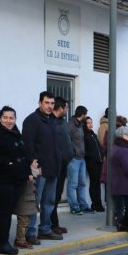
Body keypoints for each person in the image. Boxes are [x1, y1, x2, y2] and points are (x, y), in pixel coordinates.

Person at [0, 106, 34, 255]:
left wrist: (28, 172)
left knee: (8, 211)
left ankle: (4, 242)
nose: (9, 121)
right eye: (5, 118)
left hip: (17, 179)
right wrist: (7, 163)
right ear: (0, 118)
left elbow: (23, 155)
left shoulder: (16, 132)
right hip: (0, 179)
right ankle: (1, 244)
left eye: (11, 118)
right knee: (4, 211)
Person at [22, 91, 63, 241]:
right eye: (47, 103)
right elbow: (28, 145)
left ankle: (45, 229)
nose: (50, 106)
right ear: (40, 103)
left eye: (52, 103)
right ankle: (30, 232)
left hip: (54, 168)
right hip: (39, 170)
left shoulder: (53, 120)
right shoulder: (31, 120)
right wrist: (34, 163)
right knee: (34, 203)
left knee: (49, 202)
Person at [50, 96, 71, 236]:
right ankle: (51, 225)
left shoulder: (62, 122)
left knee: (56, 197)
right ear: (61, 108)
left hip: (63, 165)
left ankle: (54, 224)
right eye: (66, 108)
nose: (67, 110)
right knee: (53, 197)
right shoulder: (51, 123)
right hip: (55, 165)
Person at [67, 105, 93, 215]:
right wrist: (72, 152)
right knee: (73, 184)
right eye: (85, 115)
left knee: (82, 183)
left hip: (82, 158)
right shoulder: (70, 125)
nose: (85, 117)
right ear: (82, 115)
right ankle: (74, 207)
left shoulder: (81, 125)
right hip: (73, 159)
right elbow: (66, 141)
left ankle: (83, 205)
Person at [13, 164, 40, 249]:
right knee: (23, 221)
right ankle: (20, 241)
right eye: (35, 162)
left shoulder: (31, 172)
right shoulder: (24, 171)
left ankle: (22, 239)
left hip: (29, 199)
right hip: (24, 199)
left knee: (27, 221)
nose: (37, 164)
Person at [83, 116, 105, 212]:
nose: (90, 124)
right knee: (94, 183)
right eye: (88, 122)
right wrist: (91, 156)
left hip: (99, 162)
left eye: (91, 122)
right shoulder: (84, 135)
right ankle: (94, 204)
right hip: (91, 162)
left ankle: (99, 204)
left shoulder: (93, 134)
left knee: (97, 184)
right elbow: (85, 150)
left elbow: (98, 148)